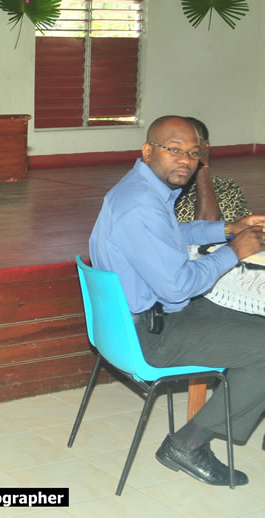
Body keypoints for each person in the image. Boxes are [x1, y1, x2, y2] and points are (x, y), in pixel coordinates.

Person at [89, 115, 265, 486]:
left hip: (138, 321)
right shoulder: (140, 204)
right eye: (174, 150)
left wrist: (227, 228)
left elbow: (174, 232)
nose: (185, 160)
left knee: (256, 325)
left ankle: (240, 402)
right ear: (148, 150)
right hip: (151, 335)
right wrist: (234, 250)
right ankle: (187, 444)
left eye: (193, 153)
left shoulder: (141, 191)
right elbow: (177, 287)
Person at [174, 117, 252, 223]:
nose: (186, 150)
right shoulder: (164, 189)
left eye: (194, 141)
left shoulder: (226, 187)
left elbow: (209, 226)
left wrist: (203, 166)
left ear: (206, 145)